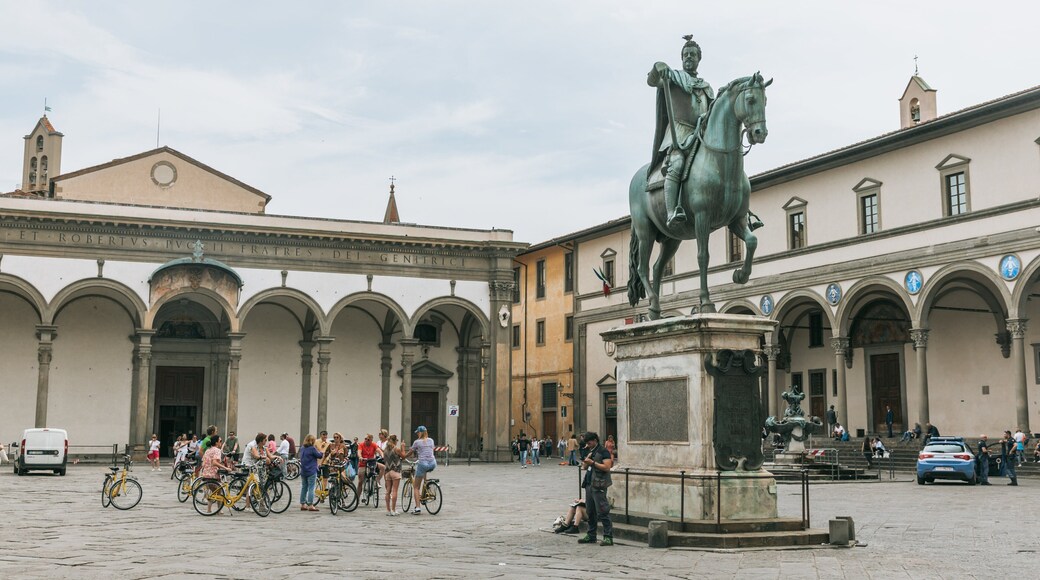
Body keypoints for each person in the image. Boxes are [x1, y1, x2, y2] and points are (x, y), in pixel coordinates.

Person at [646, 35, 714, 228]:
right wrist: (658, 66)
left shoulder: (707, 88)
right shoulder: (673, 77)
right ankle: (671, 212)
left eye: (693, 54)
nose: (689, 57)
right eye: (686, 54)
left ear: (699, 58)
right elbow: (652, 80)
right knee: (676, 163)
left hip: (701, 134)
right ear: (682, 58)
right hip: (680, 132)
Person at [578, 432, 614, 546]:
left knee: (603, 511)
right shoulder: (591, 451)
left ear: (595, 440)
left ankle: (608, 537)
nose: (587, 445)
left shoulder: (603, 451)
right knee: (590, 512)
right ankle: (591, 535)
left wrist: (593, 463)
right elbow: (584, 467)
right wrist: (587, 460)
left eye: (589, 443)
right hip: (589, 484)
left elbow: (607, 467)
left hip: (599, 485)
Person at [408, 425, 437, 515]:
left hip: (423, 463)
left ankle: (417, 508)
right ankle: (426, 487)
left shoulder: (417, 442)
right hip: (433, 463)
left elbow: (410, 452)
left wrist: (403, 456)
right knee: (425, 469)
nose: (417, 434)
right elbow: (430, 449)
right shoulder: (431, 440)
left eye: (418, 433)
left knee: (416, 487)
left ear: (420, 433)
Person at [198, 434, 229, 516]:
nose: (221, 442)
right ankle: (219, 510)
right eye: (220, 441)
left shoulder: (207, 450)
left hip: (205, 475)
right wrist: (225, 468)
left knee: (213, 492)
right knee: (220, 492)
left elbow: (203, 462)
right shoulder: (217, 450)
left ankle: (209, 509)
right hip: (213, 475)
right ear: (216, 442)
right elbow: (214, 462)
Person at [299, 434, 323, 511]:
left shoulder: (302, 448)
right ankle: (310, 505)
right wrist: (321, 451)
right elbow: (319, 456)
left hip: (303, 471)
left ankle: (303, 504)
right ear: (312, 441)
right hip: (311, 470)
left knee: (304, 487)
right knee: (311, 488)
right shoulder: (312, 448)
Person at [383, 434, 406, 516]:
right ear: (395, 440)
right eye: (397, 440)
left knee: (388, 491)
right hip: (395, 471)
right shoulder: (396, 449)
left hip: (387, 471)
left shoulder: (385, 449)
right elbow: (403, 456)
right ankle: (393, 509)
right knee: (395, 490)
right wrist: (403, 447)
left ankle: (388, 510)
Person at [358, 433, 383, 504]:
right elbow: (359, 452)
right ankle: (357, 498)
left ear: (371, 440)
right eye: (365, 439)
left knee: (383, 467)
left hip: (372, 462)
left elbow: (379, 450)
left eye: (368, 439)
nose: (366, 440)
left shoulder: (373, 444)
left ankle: (377, 480)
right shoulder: (361, 445)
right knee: (360, 481)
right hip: (363, 463)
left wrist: (382, 456)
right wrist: (360, 457)